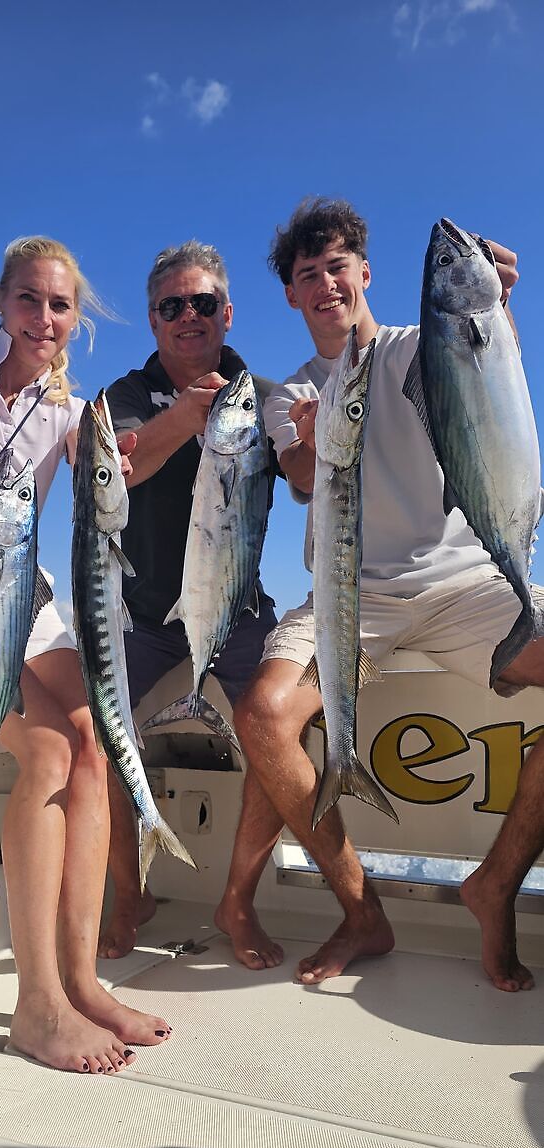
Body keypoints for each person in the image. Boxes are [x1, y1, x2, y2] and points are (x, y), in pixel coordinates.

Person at [223, 196, 544, 994]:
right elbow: (302, 477)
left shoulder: (420, 347)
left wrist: (492, 299)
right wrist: (311, 433)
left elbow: (485, 374)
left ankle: (493, 882)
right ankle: (360, 908)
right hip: (351, 594)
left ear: (364, 273)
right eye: (307, 274)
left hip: (466, 581)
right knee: (263, 714)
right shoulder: (288, 392)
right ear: (291, 295)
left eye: (336, 266)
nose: (325, 283)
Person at [0, 235, 175, 1073]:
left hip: (20, 582)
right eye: (28, 298)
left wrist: (176, 425)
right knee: (47, 749)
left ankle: (81, 982)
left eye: (59, 304)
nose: (43, 317)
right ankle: (37, 1004)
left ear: (75, 318)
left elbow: (117, 465)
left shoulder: (66, 412)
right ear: (1, 302)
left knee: (94, 740)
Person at [98, 240, 282, 961]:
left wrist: (305, 438)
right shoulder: (121, 396)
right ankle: (130, 892)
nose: (187, 315)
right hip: (142, 615)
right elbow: (115, 472)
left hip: (237, 608)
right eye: (170, 305)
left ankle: (237, 900)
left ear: (226, 313)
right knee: (93, 736)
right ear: (152, 319)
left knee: (279, 734)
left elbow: (306, 479)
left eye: (202, 302)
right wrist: (183, 417)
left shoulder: (263, 395)